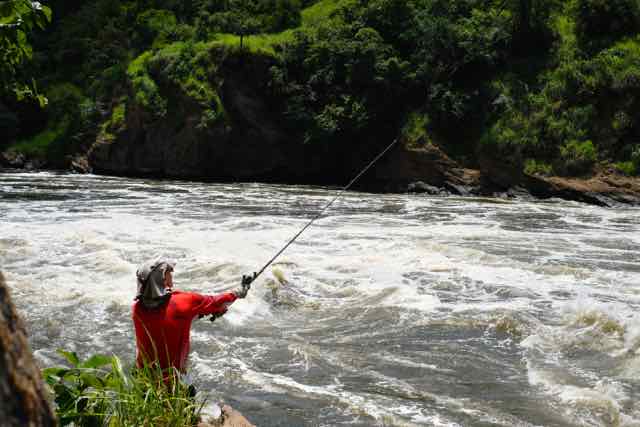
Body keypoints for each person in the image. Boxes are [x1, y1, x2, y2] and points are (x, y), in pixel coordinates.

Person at [132, 259, 255, 375]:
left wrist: (198, 314)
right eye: (169, 271)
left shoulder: (137, 309)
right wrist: (240, 291)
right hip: (173, 380)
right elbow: (217, 302)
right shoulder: (183, 302)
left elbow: (166, 322)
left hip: (144, 377)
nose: (172, 274)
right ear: (162, 278)